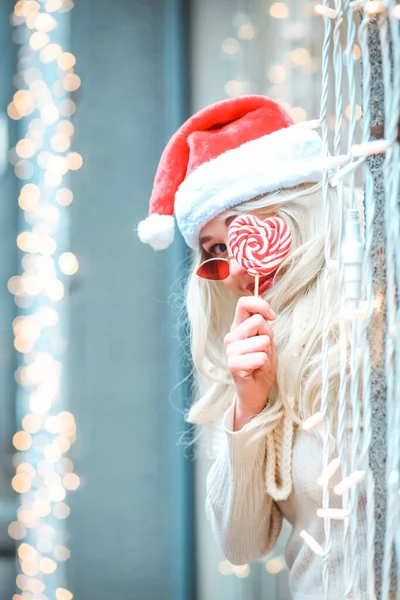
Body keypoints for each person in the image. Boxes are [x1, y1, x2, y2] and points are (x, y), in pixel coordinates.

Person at [138, 95, 367, 599]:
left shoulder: (373, 308)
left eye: (240, 231)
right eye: (215, 251)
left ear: (296, 208)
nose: (237, 269)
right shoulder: (253, 360)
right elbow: (241, 544)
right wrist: (249, 407)